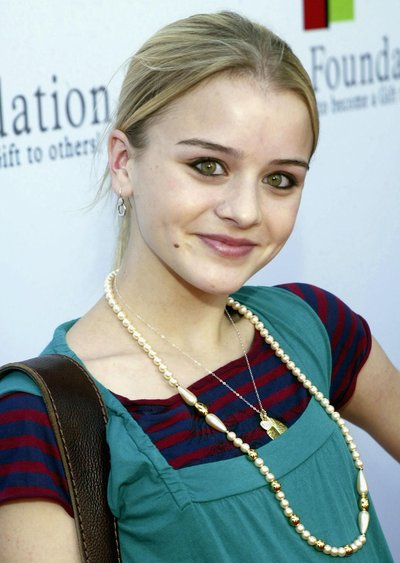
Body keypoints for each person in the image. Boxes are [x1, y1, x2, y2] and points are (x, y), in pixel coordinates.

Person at [0, 10, 398, 562]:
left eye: (280, 179)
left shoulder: (313, 327)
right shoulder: (39, 420)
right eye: (208, 165)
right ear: (123, 163)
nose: (245, 211)